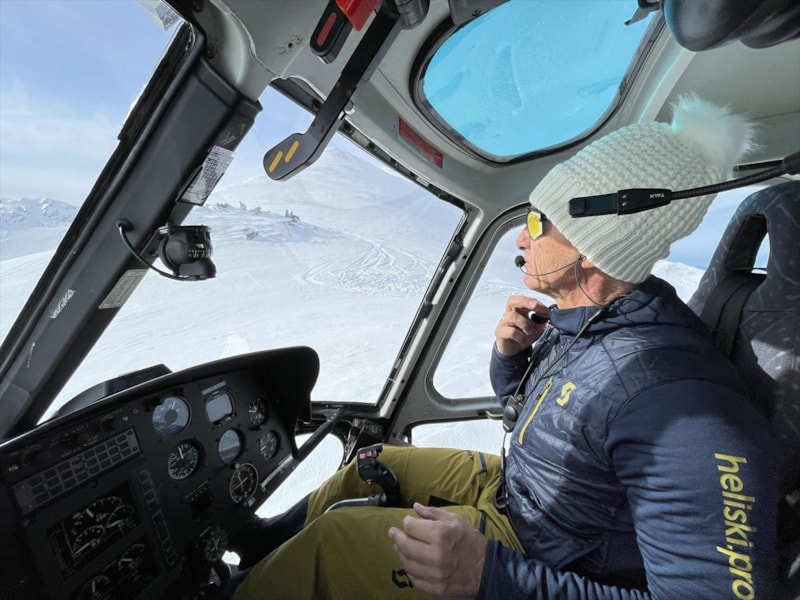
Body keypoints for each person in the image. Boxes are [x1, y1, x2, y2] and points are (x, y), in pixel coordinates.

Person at [232, 96, 778, 599]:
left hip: (543, 557)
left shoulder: (683, 404)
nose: (521, 237)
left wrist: (490, 575)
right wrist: (511, 359)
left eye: (538, 222)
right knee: (373, 464)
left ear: (594, 246)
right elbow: (552, 420)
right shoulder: (594, 321)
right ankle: (262, 550)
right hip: (520, 494)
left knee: (334, 542)